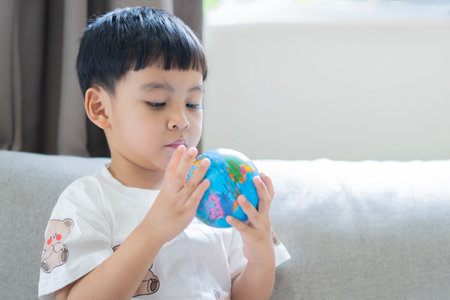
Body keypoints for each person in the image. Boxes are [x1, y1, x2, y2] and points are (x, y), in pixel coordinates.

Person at [38, 6, 289, 300]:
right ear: (100, 109)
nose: (182, 120)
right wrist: (154, 230)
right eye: (157, 102)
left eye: (193, 104)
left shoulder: (215, 192)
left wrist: (260, 258)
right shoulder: (86, 201)